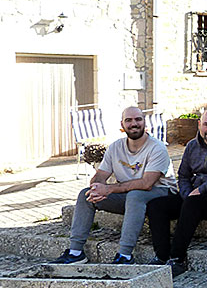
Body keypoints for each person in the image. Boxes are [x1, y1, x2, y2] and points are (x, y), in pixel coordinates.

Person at [51, 107, 175, 265]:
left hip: (161, 194)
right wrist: (96, 187)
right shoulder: (116, 147)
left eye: (138, 119)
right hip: (130, 195)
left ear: (145, 122)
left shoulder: (157, 148)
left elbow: (146, 184)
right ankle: (76, 252)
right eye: (128, 120)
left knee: (135, 195)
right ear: (122, 124)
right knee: (85, 194)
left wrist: (109, 189)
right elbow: (101, 175)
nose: (134, 124)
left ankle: (125, 255)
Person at [146, 109, 207, 277]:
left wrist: (202, 190)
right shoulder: (192, 146)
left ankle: (177, 258)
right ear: (199, 125)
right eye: (206, 125)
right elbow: (183, 175)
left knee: (193, 203)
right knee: (156, 205)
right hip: (191, 197)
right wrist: (186, 193)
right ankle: (162, 256)